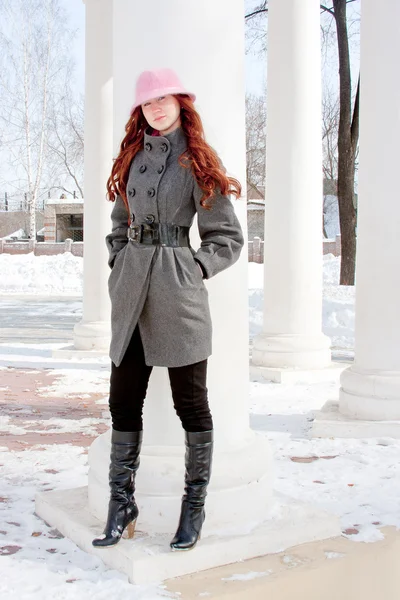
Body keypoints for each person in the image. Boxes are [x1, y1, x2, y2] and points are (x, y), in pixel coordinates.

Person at [92, 68, 244, 551]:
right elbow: (120, 222)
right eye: (148, 103)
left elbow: (228, 237)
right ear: (141, 110)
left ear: (180, 102)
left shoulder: (198, 160)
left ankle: (194, 507)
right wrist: (119, 257)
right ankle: (122, 503)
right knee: (123, 399)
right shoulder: (134, 156)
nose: (156, 108)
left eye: (164, 100)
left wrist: (195, 267)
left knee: (191, 404)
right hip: (132, 291)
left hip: (178, 296)